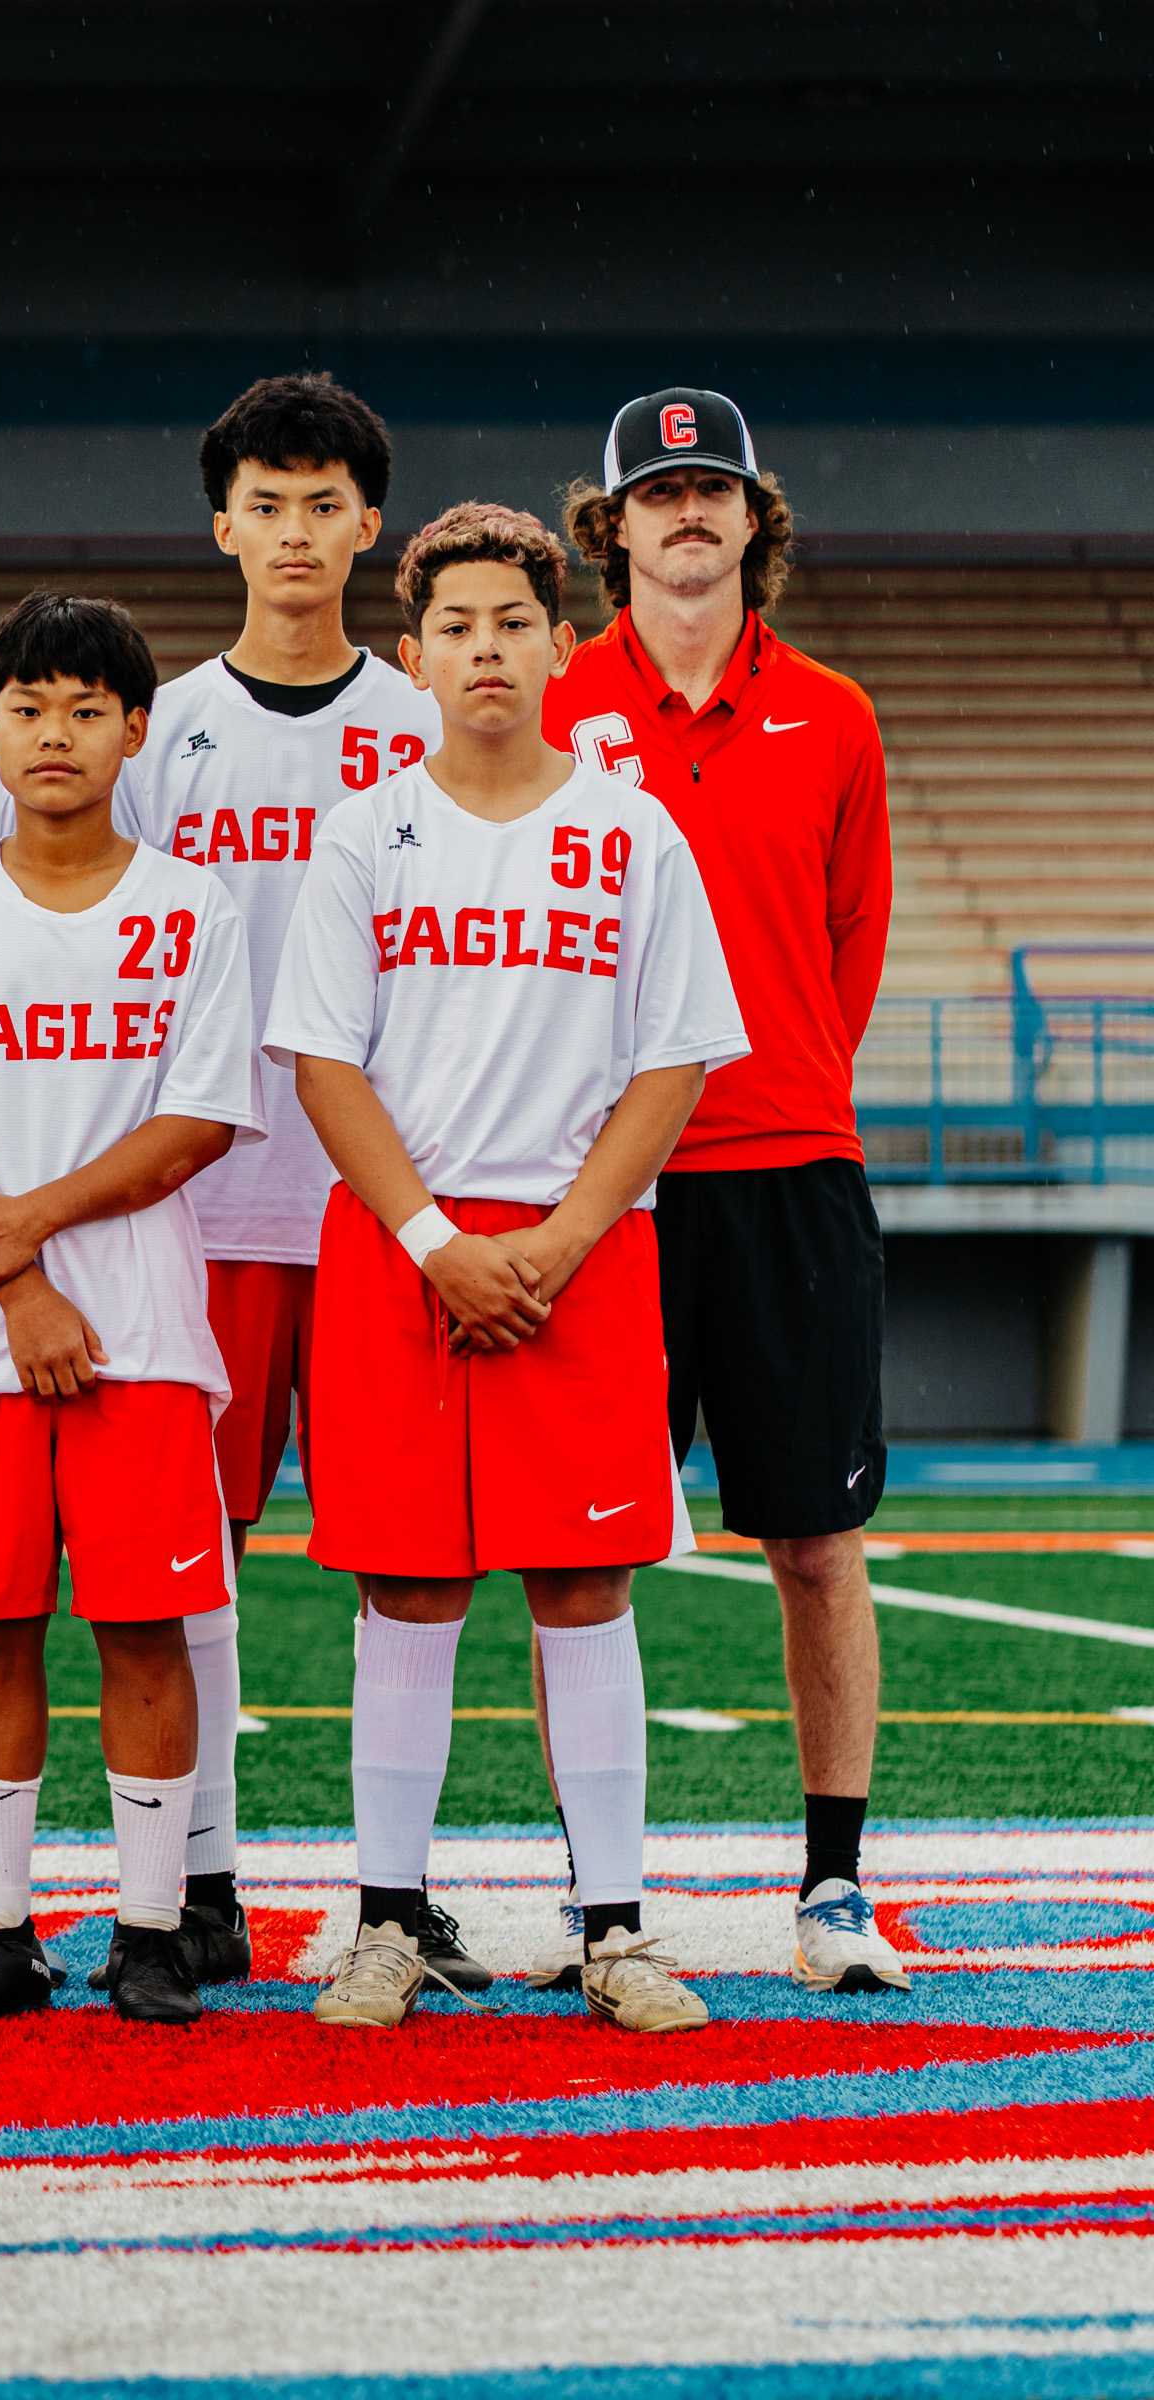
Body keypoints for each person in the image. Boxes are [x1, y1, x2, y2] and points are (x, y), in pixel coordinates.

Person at [272, 506, 745, 2035]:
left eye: (513, 624)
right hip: (401, 1248)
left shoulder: (632, 830)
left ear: (560, 646)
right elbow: (324, 1062)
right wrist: (435, 1242)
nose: (485, 649)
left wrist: (559, 1239)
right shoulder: (365, 834)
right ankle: (387, 1922)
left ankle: (613, 1931)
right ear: (413, 658)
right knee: (408, 1587)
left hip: (575, 1247)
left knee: (584, 1582)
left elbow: (673, 1059)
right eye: (456, 627)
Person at [0, 592, 260, 2027]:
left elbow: (196, 1123)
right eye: (28, 708)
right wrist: (19, 1281)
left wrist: (34, 1226)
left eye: (88, 709)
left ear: (136, 730)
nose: (56, 734)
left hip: (141, 1331)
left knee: (146, 1629)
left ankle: (152, 1929)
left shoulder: (190, 907)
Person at [544, 388, 909, 1997]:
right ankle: (600, 1902)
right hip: (603, 1189)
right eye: (658, 490)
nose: (688, 510)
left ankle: (833, 1887)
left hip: (786, 1173)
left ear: (757, 518)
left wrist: (773, 1087)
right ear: (610, 524)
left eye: (715, 487)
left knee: (818, 1544)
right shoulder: (552, 702)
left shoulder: (833, 714)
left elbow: (849, 950)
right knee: (583, 1559)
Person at [115, 372, 451, 1989]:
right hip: (211, 1204)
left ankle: (398, 1893)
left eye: (326, 503)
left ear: (369, 523)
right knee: (201, 1552)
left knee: (410, 1557)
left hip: (391, 1203)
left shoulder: (428, 727)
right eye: (268, 504)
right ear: (223, 526)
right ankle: (204, 1879)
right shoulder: (161, 732)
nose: (297, 531)